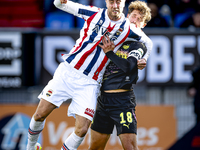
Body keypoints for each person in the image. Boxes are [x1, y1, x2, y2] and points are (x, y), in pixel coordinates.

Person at [26, 0, 153, 149]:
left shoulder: (128, 28)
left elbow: (148, 42)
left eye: (118, 2)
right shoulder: (94, 13)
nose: (115, 5)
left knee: (82, 130)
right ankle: (31, 147)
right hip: (68, 72)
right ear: (106, 2)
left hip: (90, 82)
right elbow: (61, 5)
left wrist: (144, 58)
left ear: (123, 4)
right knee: (40, 114)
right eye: (112, 2)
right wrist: (58, 1)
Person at [89, 1, 151, 150]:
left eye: (140, 19)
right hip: (103, 101)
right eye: (134, 16)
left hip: (122, 102)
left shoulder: (138, 45)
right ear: (127, 16)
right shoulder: (111, 38)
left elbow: (129, 68)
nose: (135, 20)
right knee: (95, 148)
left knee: (130, 147)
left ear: (142, 26)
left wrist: (110, 53)